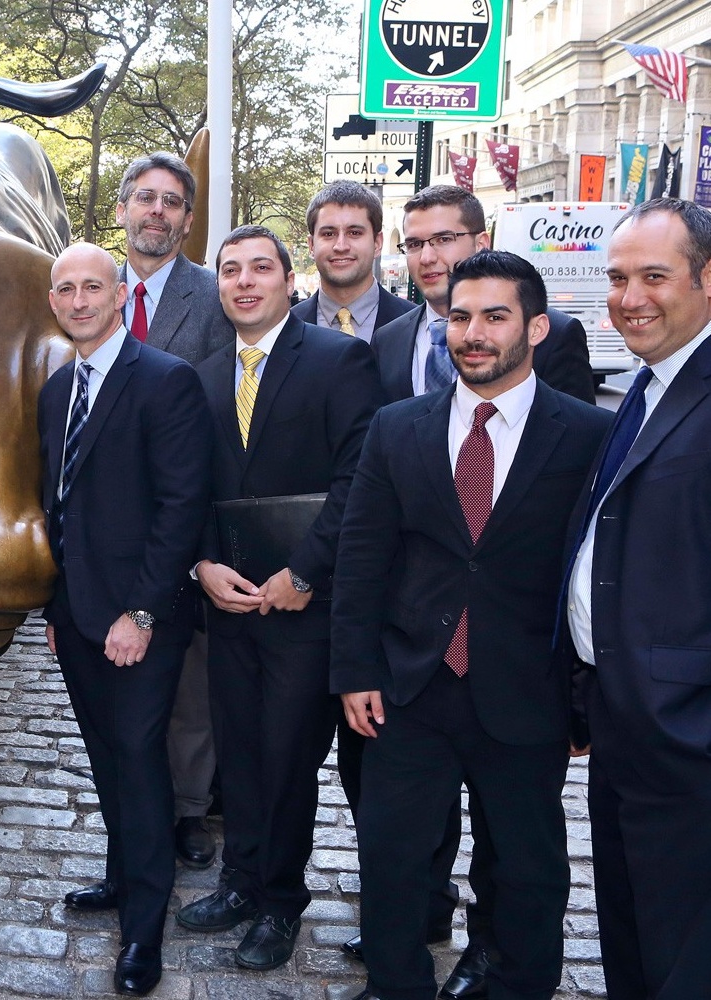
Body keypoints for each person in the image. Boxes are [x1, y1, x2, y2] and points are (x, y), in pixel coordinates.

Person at [332, 250, 611, 1000]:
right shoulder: (397, 428)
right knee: (391, 860)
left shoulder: (586, 435)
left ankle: (516, 983)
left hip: (525, 690)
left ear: (537, 327)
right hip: (409, 687)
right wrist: (355, 669)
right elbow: (363, 555)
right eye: (460, 317)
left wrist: (583, 698)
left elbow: (593, 575)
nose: (474, 333)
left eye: (494, 316)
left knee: (527, 866)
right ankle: (397, 985)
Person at [175, 225, 383, 972]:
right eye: (230, 270)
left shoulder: (339, 360)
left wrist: (303, 575)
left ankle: (279, 903)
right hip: (229, 603)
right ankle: (239, 882)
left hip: (305, 606)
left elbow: (358, 484)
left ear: (289, 281)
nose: (244, 281)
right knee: (240, 752)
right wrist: (200, 562)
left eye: (261, 268)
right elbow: (190, 487)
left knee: (289, 758)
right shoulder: (197, 377)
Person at [42, 242, 211, 996]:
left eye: (91, 287)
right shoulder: (56, 390)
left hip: (142, 619)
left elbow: (181, 510)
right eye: (65, 289)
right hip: (77, 616)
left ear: (118, 295)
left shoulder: (165, 382)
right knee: (107, 756)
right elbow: (58, 508)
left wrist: (140, 613)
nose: (78, 300)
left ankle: (144, 930)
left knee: (141, 765)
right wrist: (55, 608)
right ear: (54, 301)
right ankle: (120, 876)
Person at [565, 197, 711, 1000]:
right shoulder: (645, 386)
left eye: (654, 276)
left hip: (687, 736)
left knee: (684, 952)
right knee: (631, 932)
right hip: (623, 718)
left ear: (707, 278)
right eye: (618, 278)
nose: (631, 297)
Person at [113, 151, 232, 869]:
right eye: (145, 198)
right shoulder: (82, 289)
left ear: (188, 220)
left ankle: (188, 807)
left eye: (171, 202)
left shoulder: (216, 299)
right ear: (123, 208)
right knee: (120, 682)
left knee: (189, 682)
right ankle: (131, 804)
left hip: (184, 521)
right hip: (105, 525)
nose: (156, 211)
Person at [372, 184, 595, 406]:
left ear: (481, 244)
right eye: (414, 244)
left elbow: (576, 431)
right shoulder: (388, 339)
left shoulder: (556, 334)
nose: (426, 257)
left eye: (443, 239)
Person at [291, 180, 415, 343]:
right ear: (312, 245)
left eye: (354, 233)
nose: (341, 246)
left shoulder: (415, 325)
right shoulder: (285, 327)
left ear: (377, 243)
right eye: (329, 234)